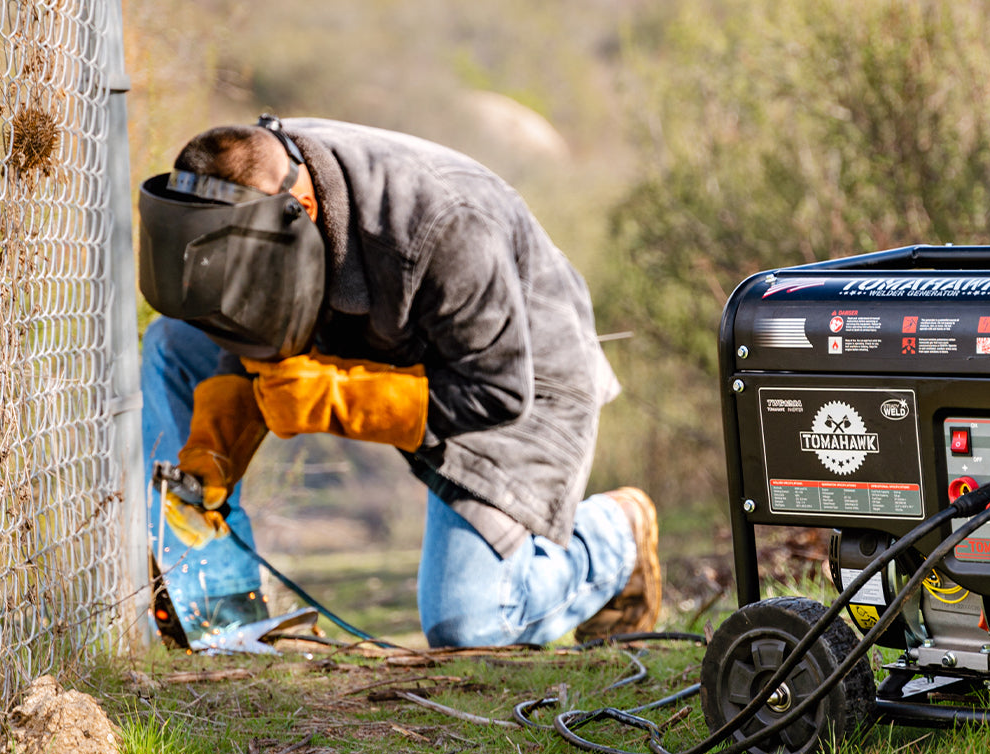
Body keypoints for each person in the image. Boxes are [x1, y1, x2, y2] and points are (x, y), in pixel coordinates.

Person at [137, 114, 659, 650]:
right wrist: (217, 438)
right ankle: (221, 615)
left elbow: (498, 390)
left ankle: (615, 536)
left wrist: (336, 395)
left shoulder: (444, 223)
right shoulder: (249, 175)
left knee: (470, 627)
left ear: (304, 212)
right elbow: (242, 324)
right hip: (395, 347)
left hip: (520, 381)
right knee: (174, 342)